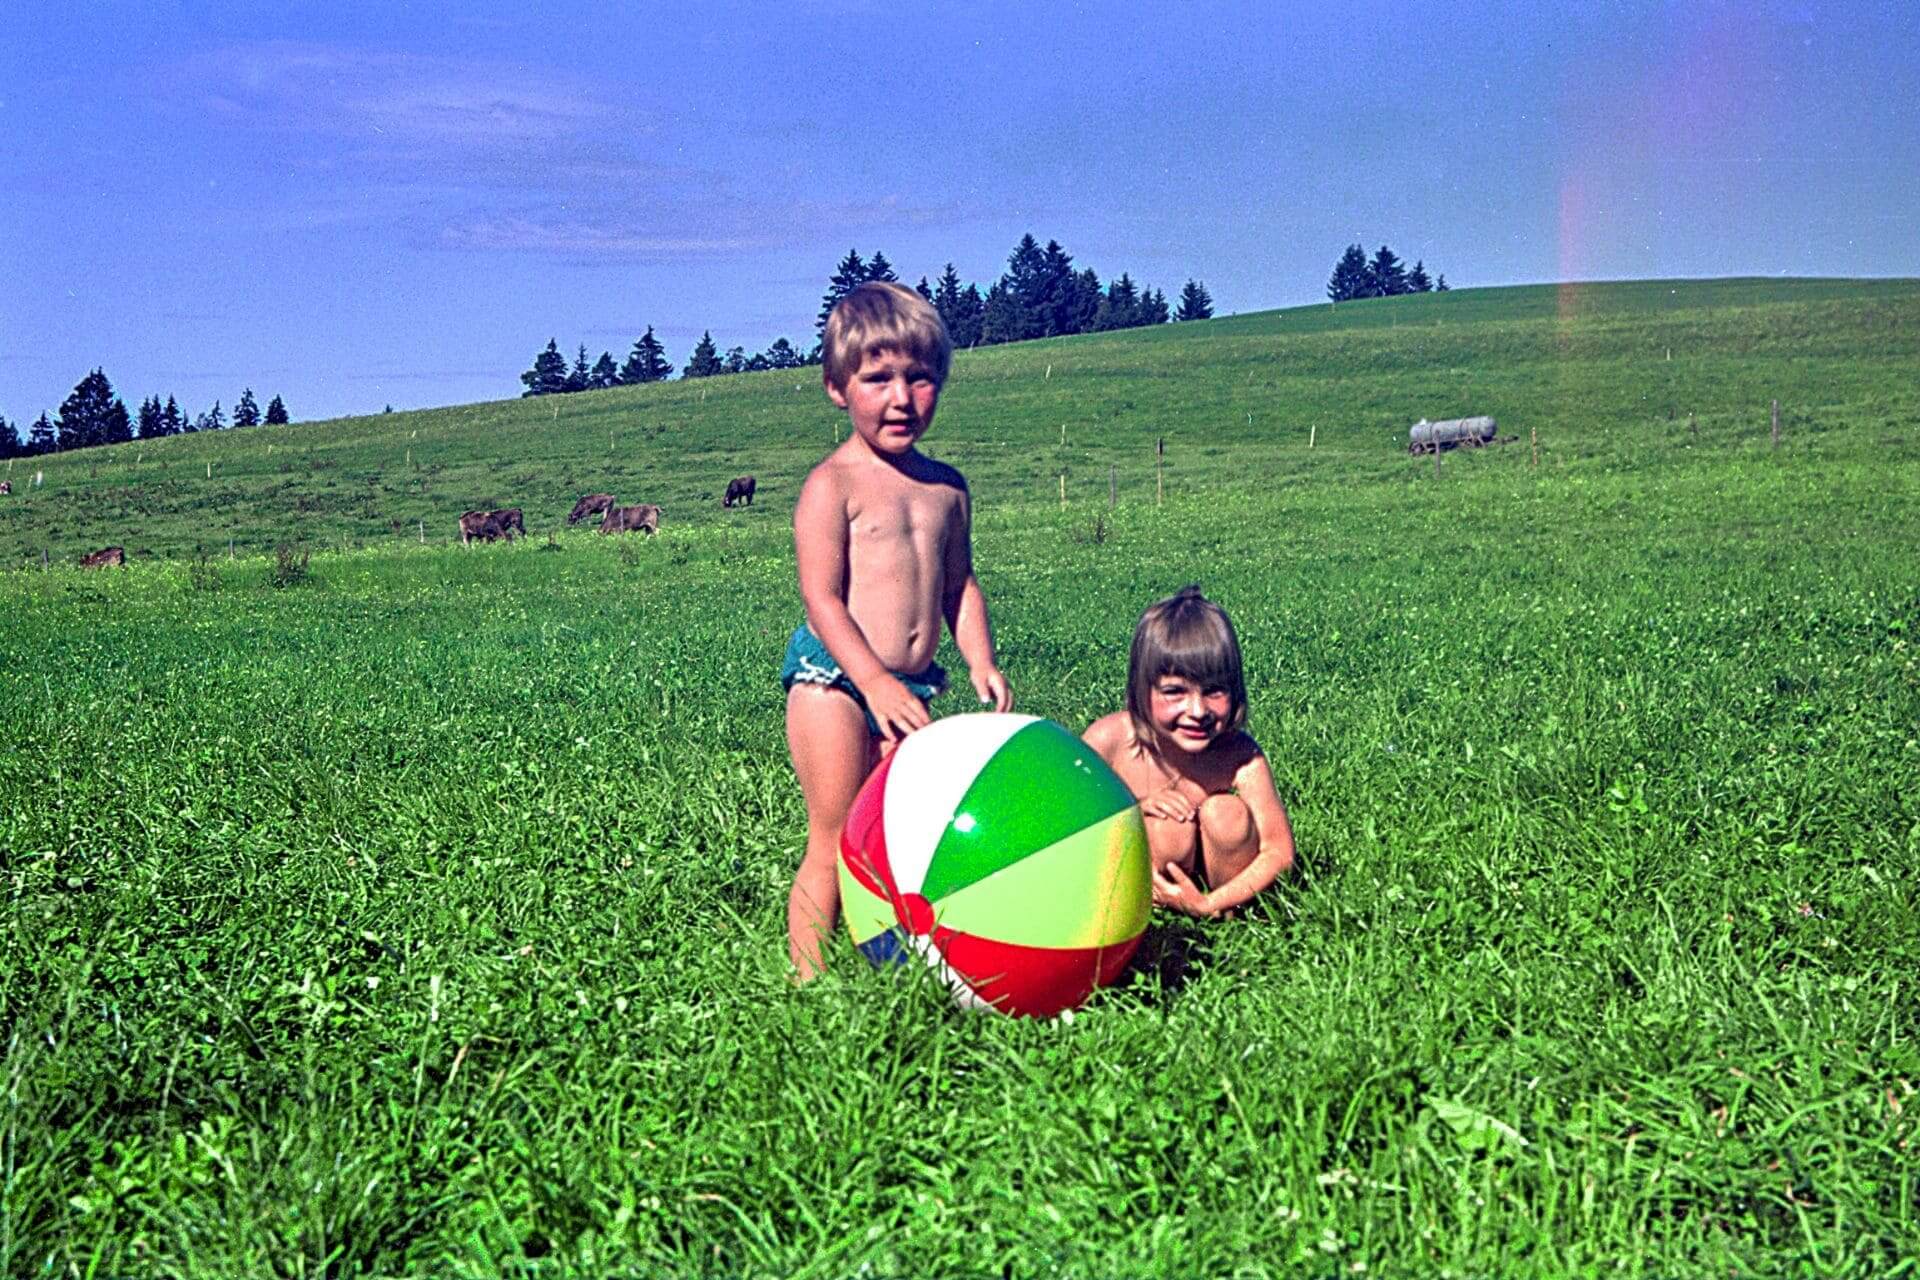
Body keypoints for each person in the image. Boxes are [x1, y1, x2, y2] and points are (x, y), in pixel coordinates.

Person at [784, 281, 1013, 978]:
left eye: (919, 378)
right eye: (877, 378)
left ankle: (890, 959)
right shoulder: (834, 484)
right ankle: (807, 980)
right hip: (834, 681)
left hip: (910, 687)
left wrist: (980, 658)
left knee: (894, 833)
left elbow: (959, 586)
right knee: (832, 832)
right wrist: (874, 682)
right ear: (836, 387)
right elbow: (822, 600)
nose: (901, 397)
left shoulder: (947, 487)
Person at [1083, 586, 1294, 917]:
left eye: (1213, 691)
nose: (1197, 710)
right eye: (1174, 691)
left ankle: (1233, 921)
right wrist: (1132, 808)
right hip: (1136, 893)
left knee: (1228, 814)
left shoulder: (1240, 755)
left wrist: (1211, 903)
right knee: (1167, 827)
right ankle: (1152, 916)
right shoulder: (1109, 740)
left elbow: (1279, 850)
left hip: (1220, 893)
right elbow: (1067, 823)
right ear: (1141, 689)